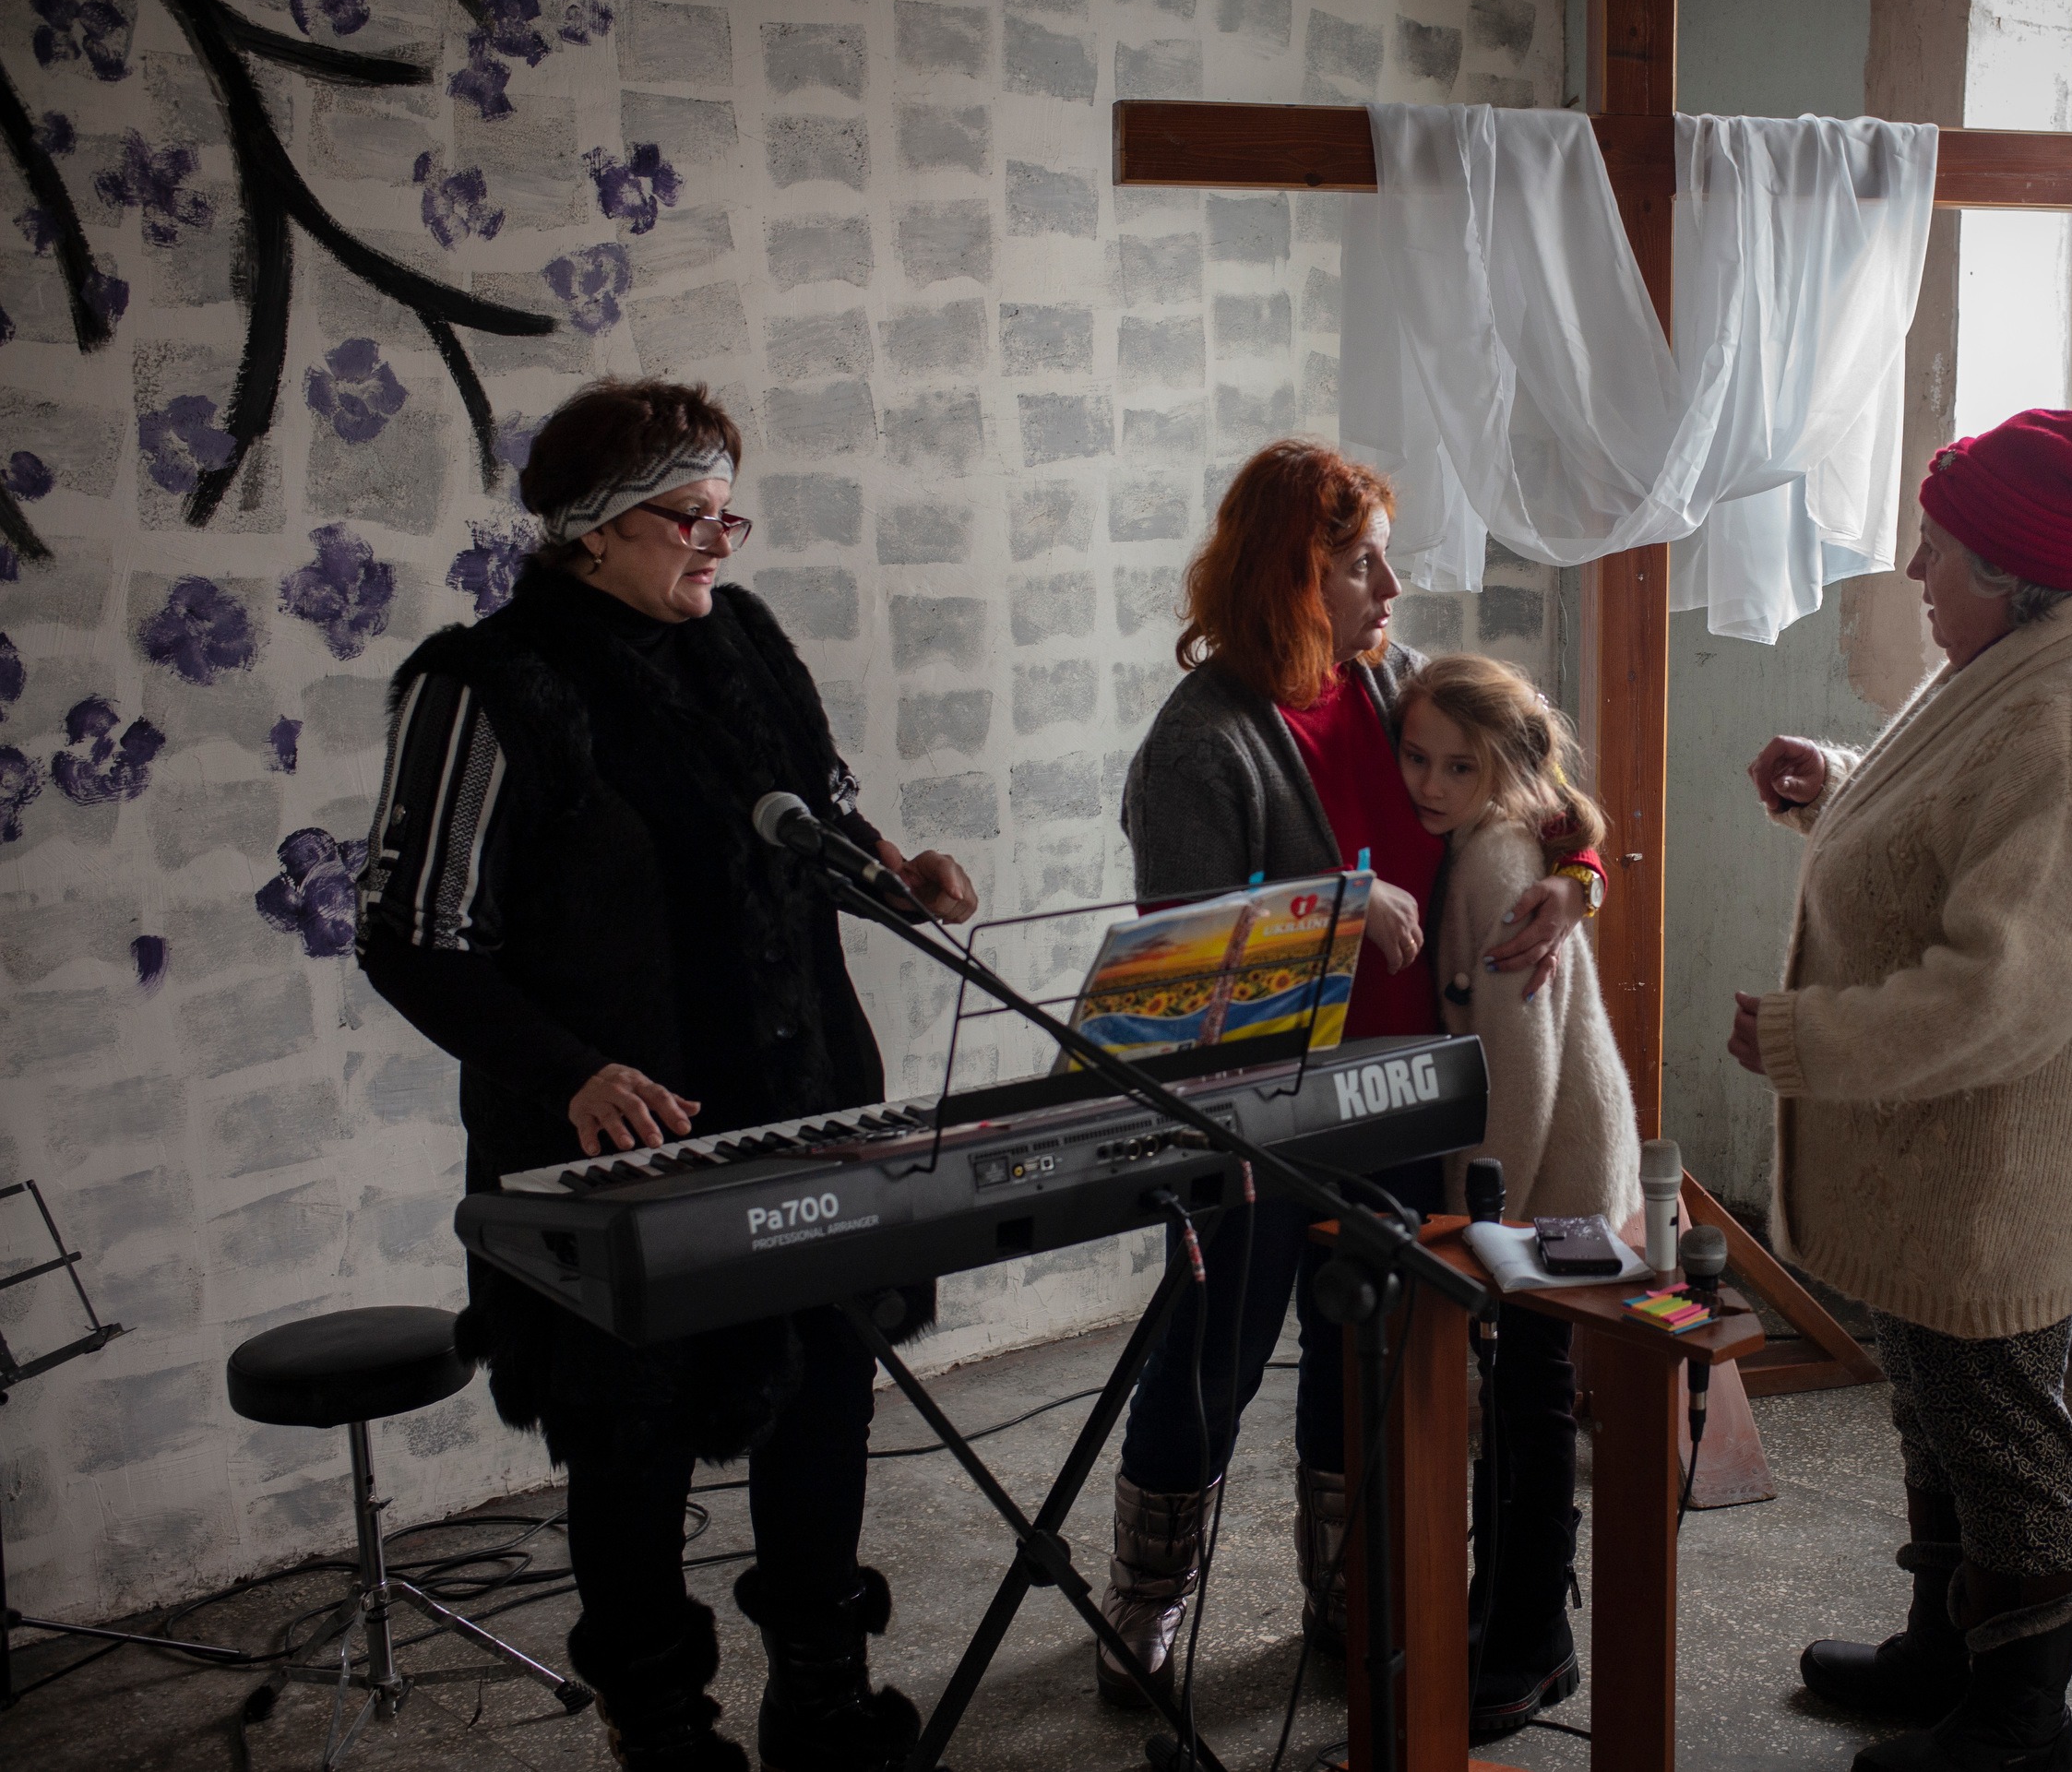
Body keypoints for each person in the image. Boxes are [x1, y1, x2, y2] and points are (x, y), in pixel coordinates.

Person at [355, 378, 978, 1772]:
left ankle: (822, 1701)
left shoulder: (745, 641)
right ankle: (663, 1731)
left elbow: (814, 821)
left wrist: (898, 877)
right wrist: (572, 1071)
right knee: (629, 1439)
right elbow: (410, 939)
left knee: (824, 1393)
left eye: (726, 515)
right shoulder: (486, 687)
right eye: (689, 517)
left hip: (802, 1105)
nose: (718, 543)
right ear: (591, 528)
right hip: (609, 1143)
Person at [1097, 439, 1608, 1705]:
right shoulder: (1202, 743)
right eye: (1361, 564)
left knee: (1363, 1354)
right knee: (1212, 1359)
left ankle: (1348, 1592)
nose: (1391, 585)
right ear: (1293, 576)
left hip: (1405, 1099)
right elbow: (1181, 966)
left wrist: (1577, 881)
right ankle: (1145, 1601)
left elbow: (1544, 795)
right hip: (1258, 1115)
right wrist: (1335, 903)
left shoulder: (1391, 683)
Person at [1727, 409, 2072, 1772]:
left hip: (2002, 1152)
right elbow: (1960, 826)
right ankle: (1949, 1650)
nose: (1915, 572)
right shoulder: (2026, 660)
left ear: (2009, 571)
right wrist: (1838, 788)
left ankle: (2018, 1723)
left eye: (1936, 550)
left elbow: (2005, 987)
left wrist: (1814, 1040)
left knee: (1996, 1430)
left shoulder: (2071, 721)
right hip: (1951, 1140)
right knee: (1935, 1398)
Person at [1394, 654, 1642, 1740]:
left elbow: (1520, 1068)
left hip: (1541, 1180)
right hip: (1547, 1172)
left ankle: (1531, 1635)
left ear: (1500, 768)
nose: (1430, 784)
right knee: (1517, 1401)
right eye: (1417, 758)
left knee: (1529, 1403)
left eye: (1459, 766)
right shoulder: (1494, 837)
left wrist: (1478, 1224)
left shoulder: (1494, 860)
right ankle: (1508, 1611)